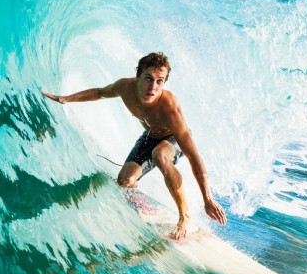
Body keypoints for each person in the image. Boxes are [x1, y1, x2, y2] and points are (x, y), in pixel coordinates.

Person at [42, 52, 227, 239]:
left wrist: (208, 199)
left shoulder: (170, 109)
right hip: (149, 137)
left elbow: (194, 157)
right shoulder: (125, 87)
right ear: (138, 76)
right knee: (124, 181)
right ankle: (140, 204)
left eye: (159, 81)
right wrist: (66, 98)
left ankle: (184, 216)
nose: (153, 87)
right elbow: (99, 93)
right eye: (148, 79)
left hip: (172, 140)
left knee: (160, 155)